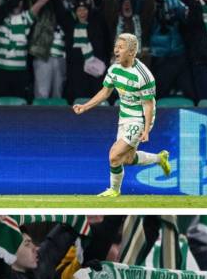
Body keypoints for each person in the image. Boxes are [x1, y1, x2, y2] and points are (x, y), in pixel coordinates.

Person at [73, 32, 171, 197]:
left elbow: (149, 104)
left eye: (121, 47)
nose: (116, 50)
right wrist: (85, 106)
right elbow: (105, 92)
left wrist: (146, 129)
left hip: (140, 119)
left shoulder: (144, 76)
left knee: (114, 155)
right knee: (126, 159)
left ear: (132, 52)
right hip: (124, 117)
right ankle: (160, 158)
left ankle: (114, 191)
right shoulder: (114, 70)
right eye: (115, 47)